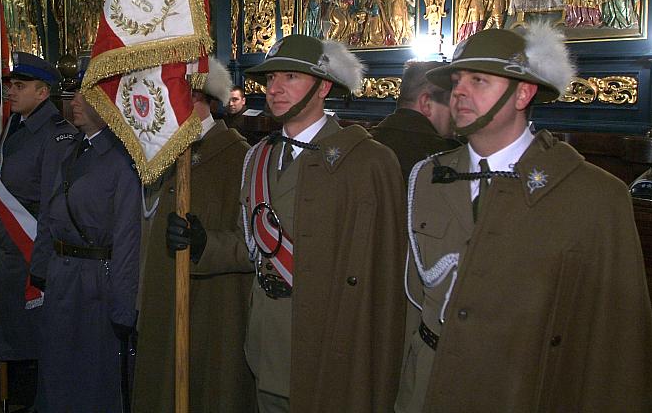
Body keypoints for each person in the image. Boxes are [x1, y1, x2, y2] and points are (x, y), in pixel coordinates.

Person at [396, 25, 652, 412]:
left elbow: (617, 342)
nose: (459, 91)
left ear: (523, 93)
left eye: (479, 80)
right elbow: (413, 304)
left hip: (522, 391)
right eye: (457, 79)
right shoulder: (428, 178)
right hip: (428, 390)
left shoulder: (592, 195)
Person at [223, 34, 406, 411]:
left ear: (323, 86)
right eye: (270, 78)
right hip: (266, 345)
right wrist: (204, 245)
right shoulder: (258, 157)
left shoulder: (367, 162)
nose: (274, 88)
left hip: (328, 350)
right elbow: (253, 249)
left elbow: (382, 279)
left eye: (290, 76)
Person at [136, 59, 255, 412]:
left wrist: (206, 245)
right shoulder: (158, 153)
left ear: (195, 97)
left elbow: (251, 245)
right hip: (160, 305)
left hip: (208, 314)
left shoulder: (238, 158)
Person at [31, 68, 141, 413]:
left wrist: (124, 308)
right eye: (74, 93)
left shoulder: (123, 159)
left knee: (92, 377)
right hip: (62, 278)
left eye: (85, 95)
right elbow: (49, 213)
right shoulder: (73, 150)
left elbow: (127, 237)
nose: (74, 101)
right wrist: (40, 267)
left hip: (96, 284)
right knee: (58, 369)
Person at [0, 52, 76, 404]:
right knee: (12, 335)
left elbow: (53, 204)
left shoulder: (56, 135)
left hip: (31, 250)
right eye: (10, 85)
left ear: (43, 92)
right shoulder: (15, 128)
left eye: (20, 86)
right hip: (7, 247)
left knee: (40, 340)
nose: (11, 91)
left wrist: (42, 261)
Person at [371, 60, 460, 180]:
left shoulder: (363, 145)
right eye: (453, 102)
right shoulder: (443, 159)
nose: (457, 113)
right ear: (426, 103)